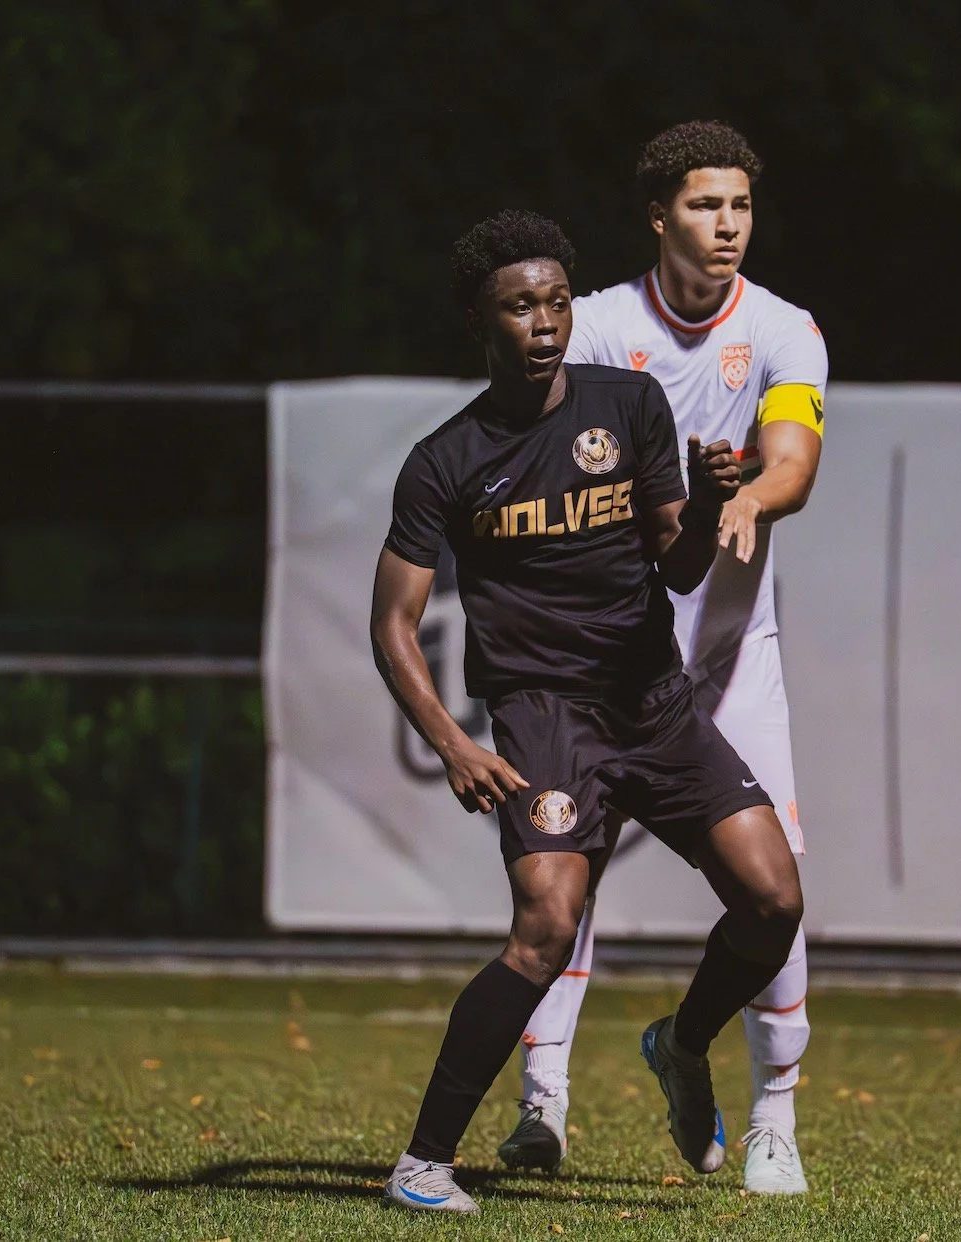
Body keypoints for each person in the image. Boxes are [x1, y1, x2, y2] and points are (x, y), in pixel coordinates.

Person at [373, 208, 805, 1214]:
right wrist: (450, 743)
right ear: (481, 324)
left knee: (772, 900)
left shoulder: (628, 405)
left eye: (557, 302)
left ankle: (681, 1043)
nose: (544, 322)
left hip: (652, 704)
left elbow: (680, 561)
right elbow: (393, 625)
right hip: (545, 718)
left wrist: (704, 503)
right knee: (545, 926)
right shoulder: (444, 461)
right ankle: (422, 1162)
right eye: (518, 307)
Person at [497, 122, 827, 1196]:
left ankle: (765, 1109)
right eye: (701, 205)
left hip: (732, 659)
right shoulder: (588, 330)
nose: (725, 224)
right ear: (656, 216)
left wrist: (744, 496)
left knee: (776, 891)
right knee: (565, 878)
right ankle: (541, 1101)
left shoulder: (781, 330)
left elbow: (793, 460)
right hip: (606, 667)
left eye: (738, 204)